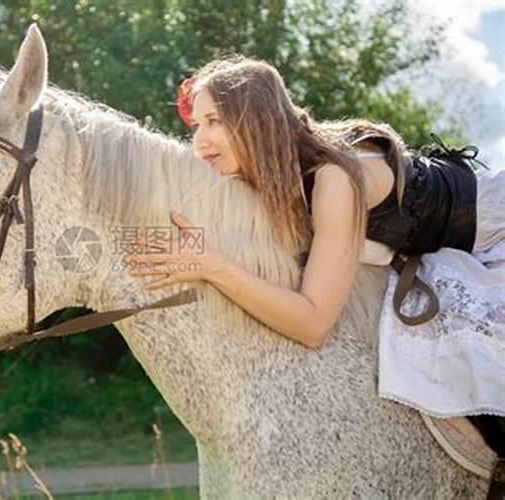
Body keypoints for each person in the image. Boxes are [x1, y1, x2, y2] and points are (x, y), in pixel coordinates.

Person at [123, 55, 504, 460]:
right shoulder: (271, 174)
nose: (199, 143)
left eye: (214, 121)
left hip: (492, 232)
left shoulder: (334, 178)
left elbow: (313, 322)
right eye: (197, 125)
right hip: (444, 251)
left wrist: (214, 267)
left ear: (256, 120)